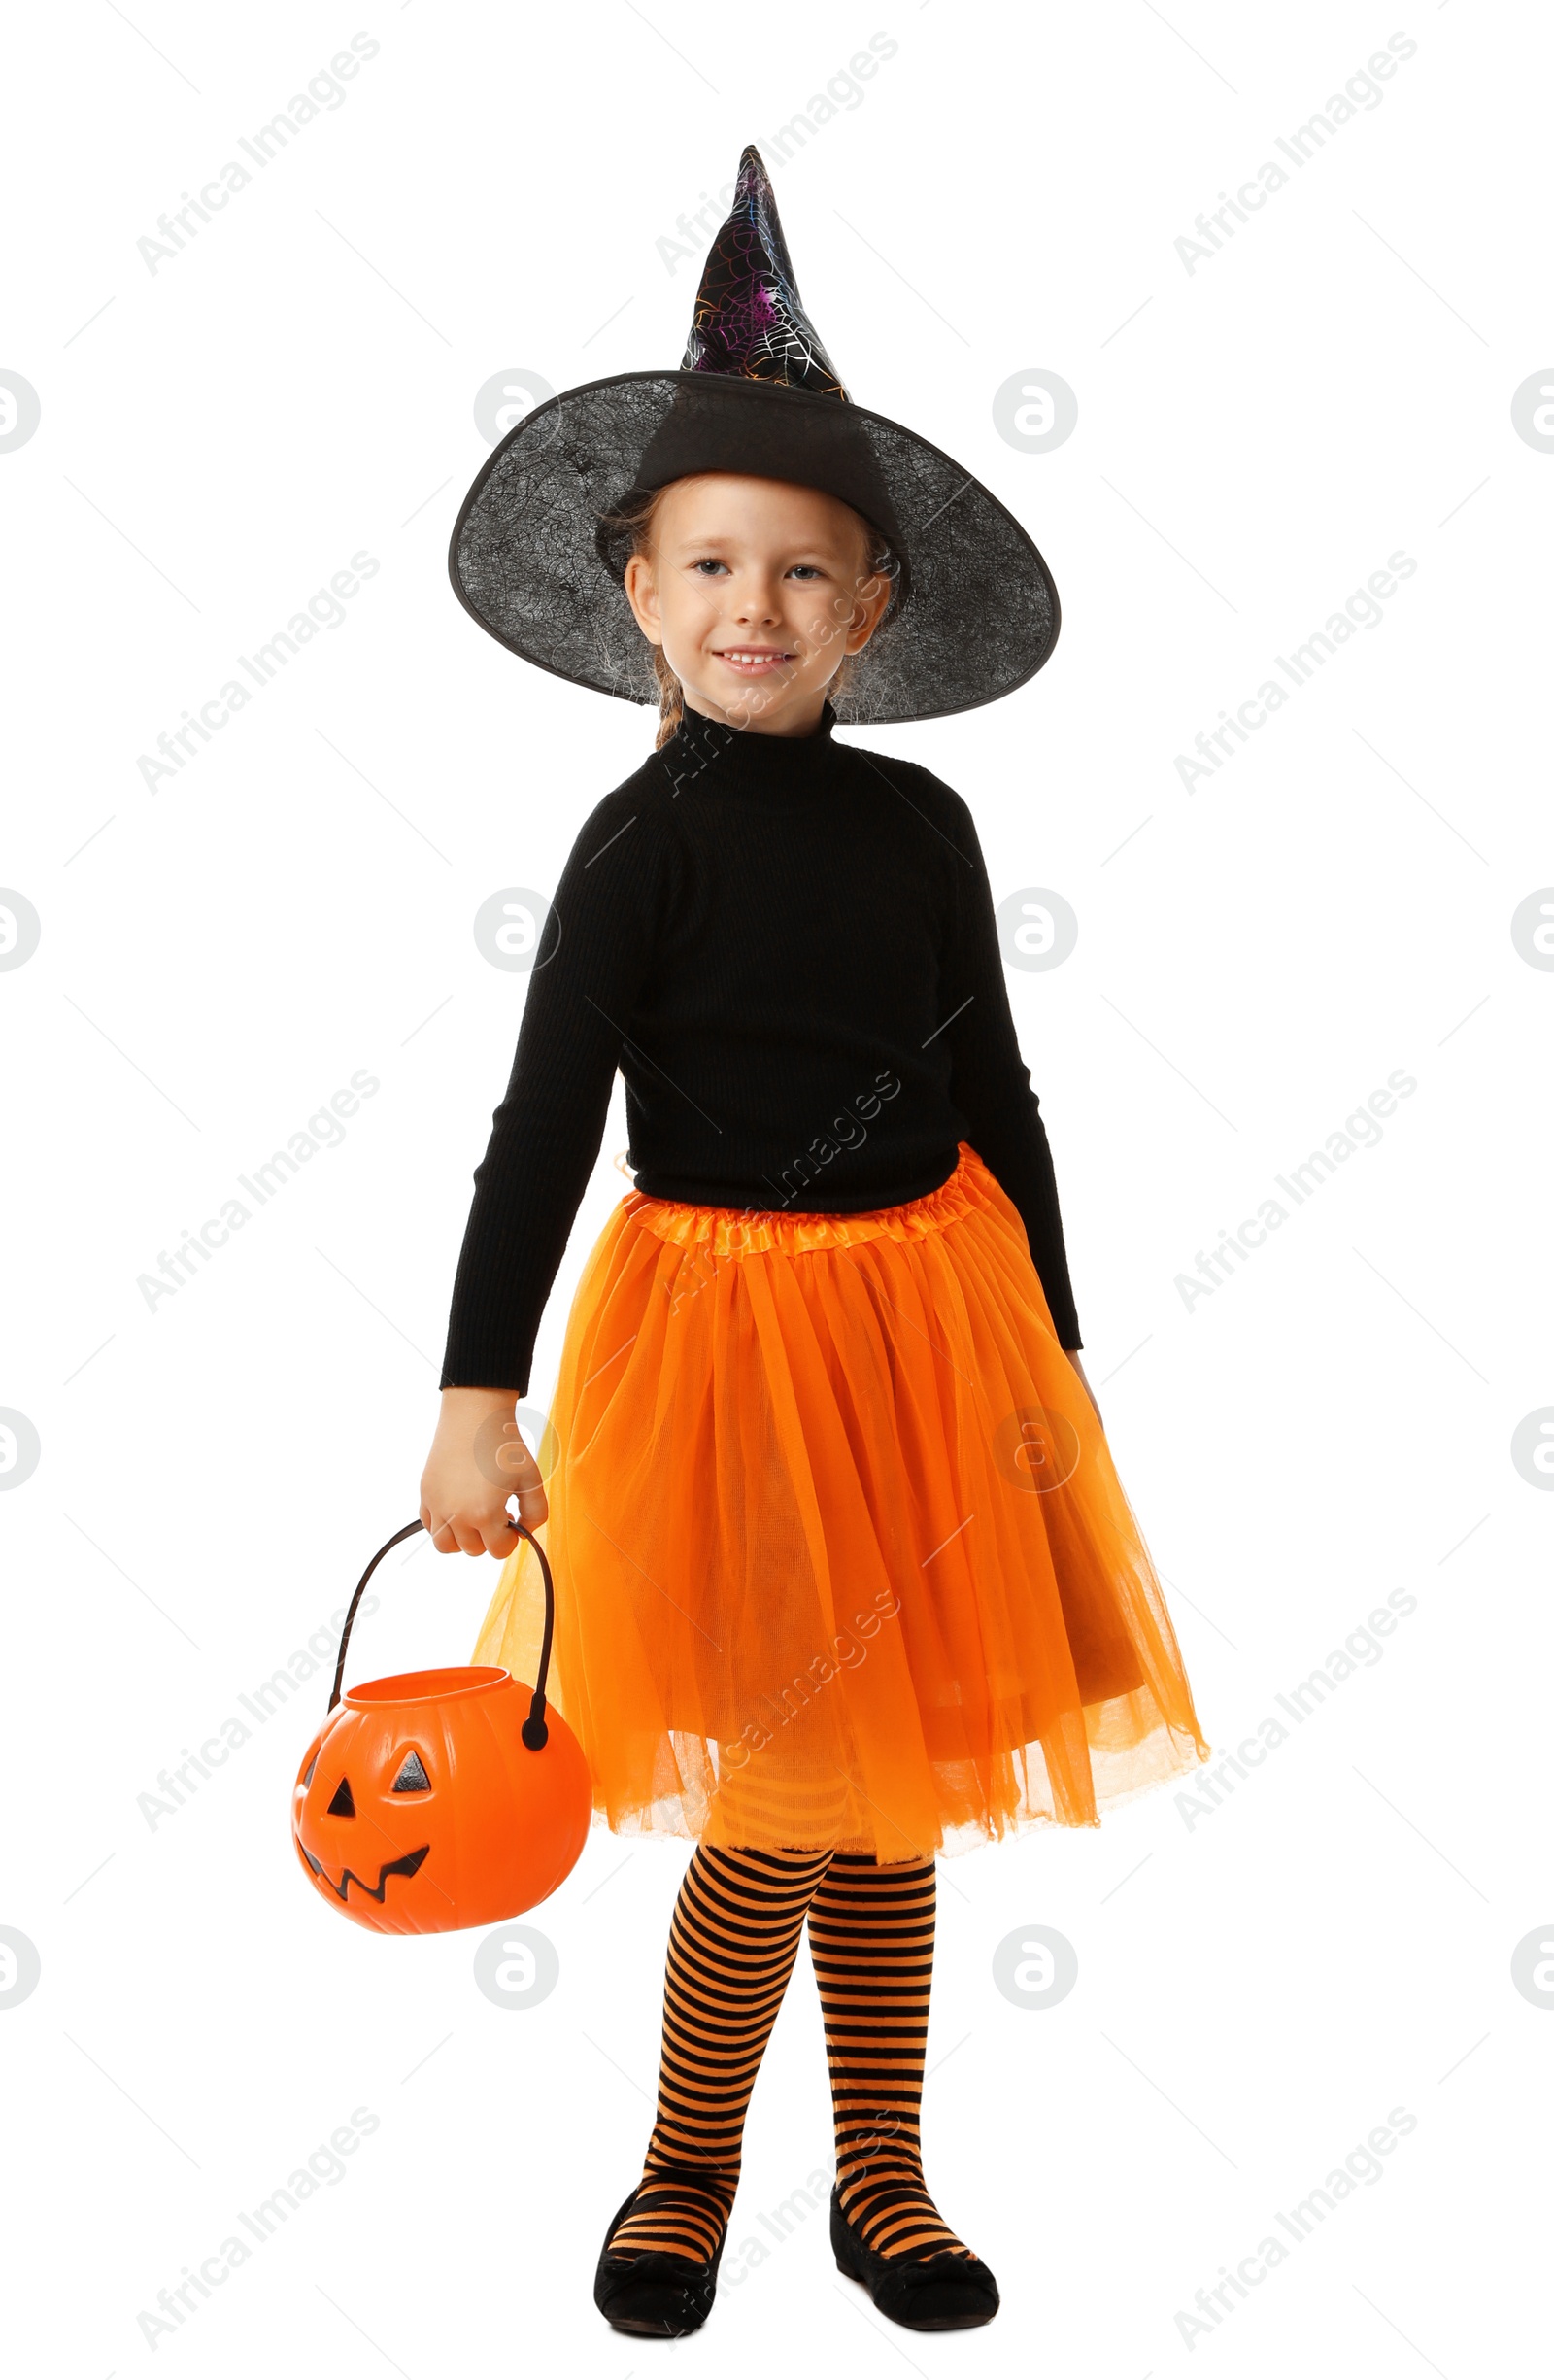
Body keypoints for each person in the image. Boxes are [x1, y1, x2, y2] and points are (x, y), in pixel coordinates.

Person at [420, 148, 1210, 2339]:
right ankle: (684, 2159)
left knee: (886, 1804)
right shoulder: (632, 844)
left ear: (869, 610)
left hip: (927, 1326)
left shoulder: (923, 826)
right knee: (776, 1795)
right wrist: (475, 1389)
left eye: (800, 572)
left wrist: (1043, 1348)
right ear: (638, 594)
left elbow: (993, 1091)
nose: (752, 605)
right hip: (720, 1348)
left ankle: (881, 2168)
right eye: (708, 566)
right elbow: (538, 1125)